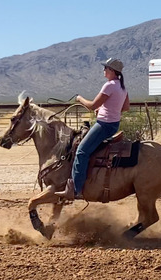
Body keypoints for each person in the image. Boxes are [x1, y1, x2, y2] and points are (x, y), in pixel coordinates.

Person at [55, 58, 130, 200]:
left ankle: (76, 190)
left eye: (106, 68)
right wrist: (107, 109)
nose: (104, 70)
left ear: (112, 71)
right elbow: (125, 107)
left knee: (82, 151)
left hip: (104, 125)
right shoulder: (122, 86)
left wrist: (79, 98)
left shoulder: (109, 86)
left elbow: (91, 105)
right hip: (113, 124)